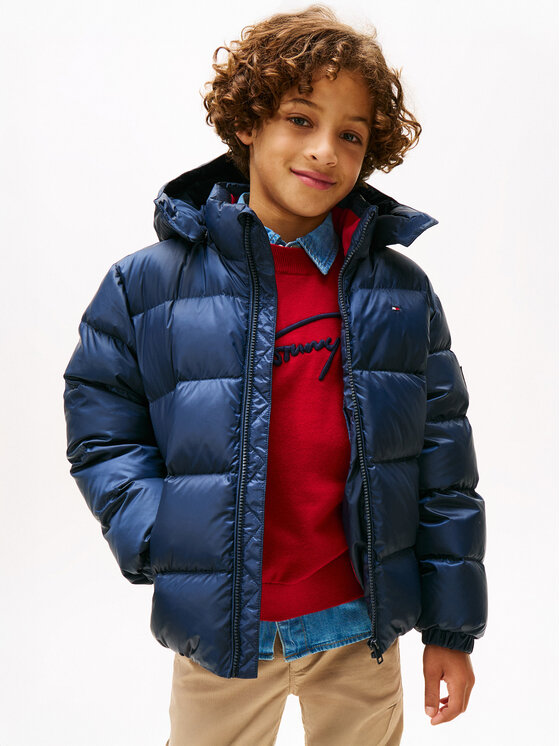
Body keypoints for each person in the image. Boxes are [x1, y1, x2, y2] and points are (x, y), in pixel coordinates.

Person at [62, 4, 487, 744]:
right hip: (223, 632)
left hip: (361, 627)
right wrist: (162, 536)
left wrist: (451, 629)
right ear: (248, 123)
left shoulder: (399, 293)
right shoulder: (146, 285)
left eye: (350, 134)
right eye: (299, 119)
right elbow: (101, 425)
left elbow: (444, 467)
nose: (324, 150)